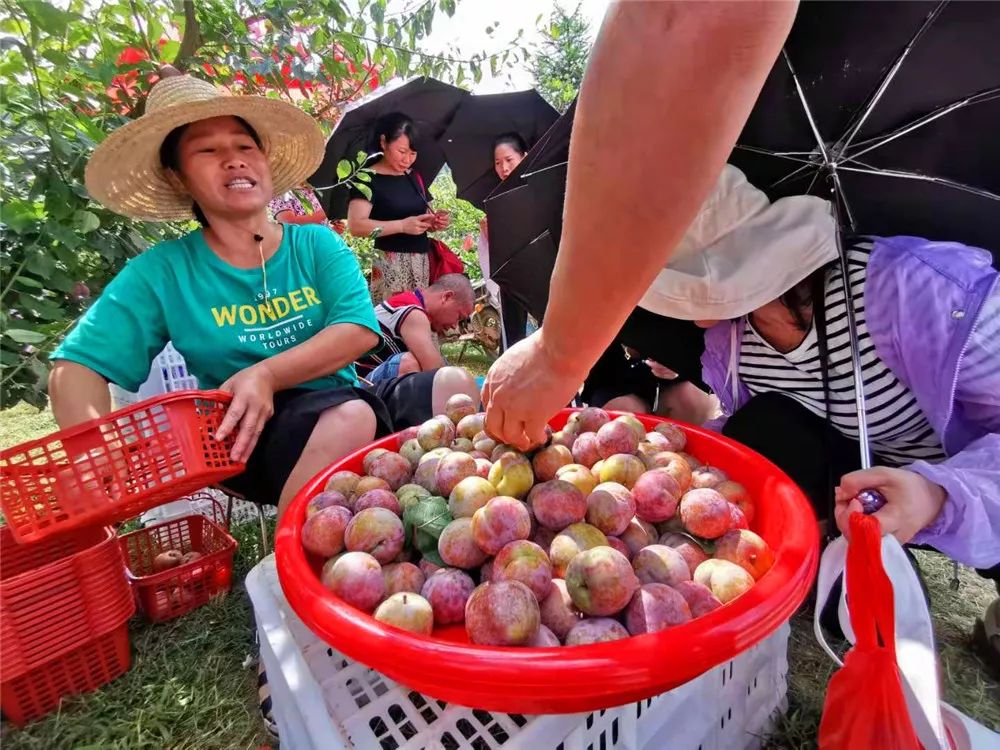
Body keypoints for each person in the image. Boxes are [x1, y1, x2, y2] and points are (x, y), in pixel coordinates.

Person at [50, 70, 477, 517]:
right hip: (251, 431)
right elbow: (77, 365)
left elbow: (357, 331)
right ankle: (288, 564)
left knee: (455, 386)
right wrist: (92, 455)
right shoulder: (164, 271)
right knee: (351, 417)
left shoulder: (315, 245)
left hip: (348, 398)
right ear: (178, 177)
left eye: (244, 146)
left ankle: (448, 529)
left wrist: (267, 373)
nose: (233, 160)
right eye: (208, 150)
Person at [643, 164, 1000, 662]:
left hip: (963, 475)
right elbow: (761, 433)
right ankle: (827, 559)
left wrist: (937, 495)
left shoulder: (910, 287)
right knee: (755, 429)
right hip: (856, 483)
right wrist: (683, 460)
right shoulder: (733, 335)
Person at [346, 112, 450, 301]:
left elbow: (424, 215)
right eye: (401, 152)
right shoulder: (367, 178)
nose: (407, 159)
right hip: (390, 266)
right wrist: (402, 226)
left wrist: (434, 222)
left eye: (413, 153)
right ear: (384, 142)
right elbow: (356, 226)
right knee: (395, 322)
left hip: (421, 264)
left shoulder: (413, 176)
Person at [357, 274, 475, 384]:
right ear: (447, 297)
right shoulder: (413, 313)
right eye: (459, 317)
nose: (455, 325)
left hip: (367, 380)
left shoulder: (409, 302)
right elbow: (435, 372)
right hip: (358, 384)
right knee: (411, 363)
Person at [268, 183, 345, 234]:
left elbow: (319, 224)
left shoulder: (310, 190)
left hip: (321, 245)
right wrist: (325, 212)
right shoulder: (280, 193)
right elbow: (289, 222)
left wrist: (332, 230)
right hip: (305, 250)